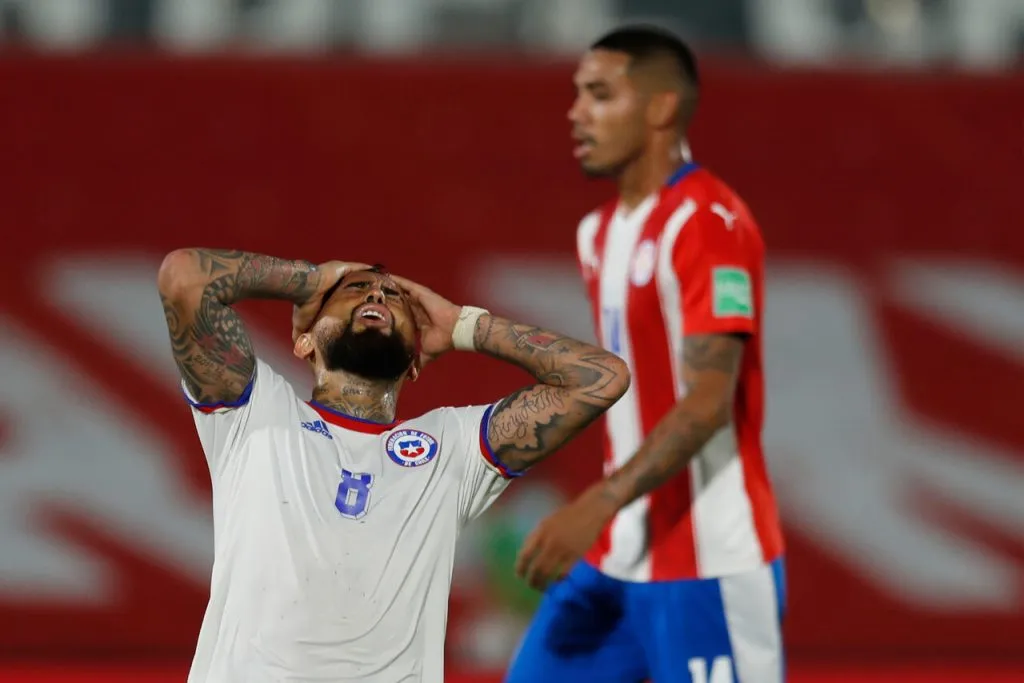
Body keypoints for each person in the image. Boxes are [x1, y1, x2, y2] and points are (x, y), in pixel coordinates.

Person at [156, 249, 630, 683]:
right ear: (303, 343)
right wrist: (311, 279)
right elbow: (184, 277)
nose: (378, 293)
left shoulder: (452, 446)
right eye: (355, 290)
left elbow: (601, 379)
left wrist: (465, 325)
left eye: (394, 297)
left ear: (415, 364)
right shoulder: (256, 411)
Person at [505, 25, 786, 683]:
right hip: (617, 555)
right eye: (576, 94)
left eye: (599, 95)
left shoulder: (709, 224)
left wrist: (597, 502)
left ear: (661, 108)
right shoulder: (597, 233)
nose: (576, 112)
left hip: (709, 561)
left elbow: (709, 402)